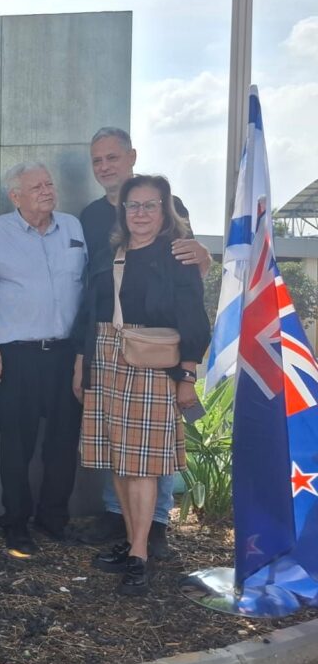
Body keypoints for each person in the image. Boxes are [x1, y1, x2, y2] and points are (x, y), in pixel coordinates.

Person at [73, 174, 210, 595]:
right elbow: (89, 312)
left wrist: (187, 376)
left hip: (152, 365)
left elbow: (194, 321)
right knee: (119, 460)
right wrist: (81, 363)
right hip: (105, 359)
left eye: (151, 205)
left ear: (165, 211)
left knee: (143, 465)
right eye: (134, 206)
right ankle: (134, 541)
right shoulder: (109, 254)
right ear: (123, 211)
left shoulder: (177, 256)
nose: (141, 213)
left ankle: (139, 555)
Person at [0, 162, 85, 558]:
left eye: (49, 183)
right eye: (36, 187)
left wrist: (83, 354)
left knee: (63, 442)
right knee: (16, 445)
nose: (47, 190)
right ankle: (15, 522)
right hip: (16, 356)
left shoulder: (72, 227)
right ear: (15, 196)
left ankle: (53, 518)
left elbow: (87, 289)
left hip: (66, 354)